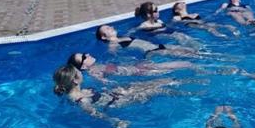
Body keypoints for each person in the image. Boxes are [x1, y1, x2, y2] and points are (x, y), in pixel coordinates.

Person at [52, 65, 189, 128]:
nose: (81, 72)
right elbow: (94, 113)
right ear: (75, 80)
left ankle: (178, 82)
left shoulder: (74, 93)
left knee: (154, 82)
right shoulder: (81, 100)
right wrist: (116, 122)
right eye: (79, 72)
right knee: (157, 90)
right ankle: (188, 93)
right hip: (119, 101)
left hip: (114, 94)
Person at [67, 52, 200, 83]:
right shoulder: (94, 71)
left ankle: (197, 68)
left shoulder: (97, 66)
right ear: (83, 66)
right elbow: (106, 82)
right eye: (84, 56)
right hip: (139, 72)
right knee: (178, 68)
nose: (87, 54)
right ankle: (198, 70)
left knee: (179, 65)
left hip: (137, 68)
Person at [95, 25, 198, 57]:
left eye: (110, 26)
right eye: (107, 28)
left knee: (190, 50)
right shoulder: (113, 45)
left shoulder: (123, 37)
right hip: (152, 51)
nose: (111, 27)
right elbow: (115, 55)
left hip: (157, 46)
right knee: (188, 55)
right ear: (103, 37)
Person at [172, 1, 240, 38]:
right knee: (210, 28)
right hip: (193, 25)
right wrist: (192, 21)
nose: (182, 3)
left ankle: (235, 33)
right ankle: (223, 36)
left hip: (202, 23)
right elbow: (174, 23)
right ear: (176, 10)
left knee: (223, 25)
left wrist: (219, 10)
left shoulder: (194, 14)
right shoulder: (178, 17)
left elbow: (205, 19)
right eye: (179, 4)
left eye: (182, 3)